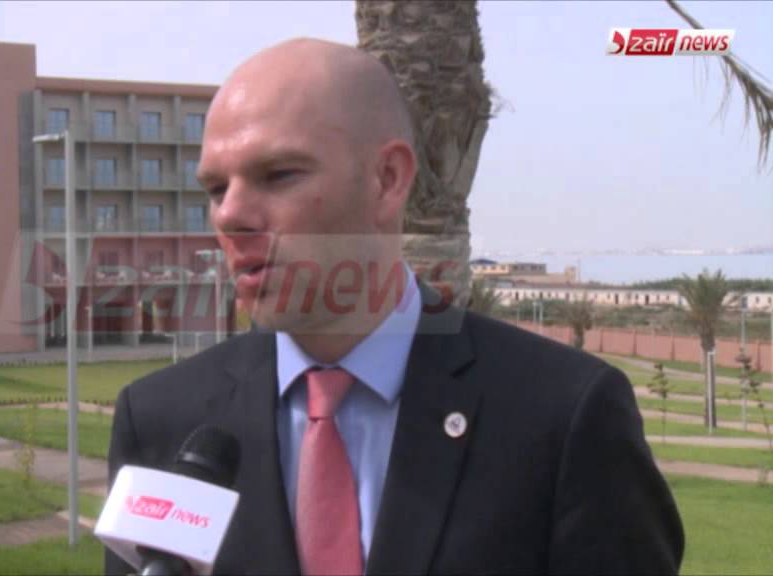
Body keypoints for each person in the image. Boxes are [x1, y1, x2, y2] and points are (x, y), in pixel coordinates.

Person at [106, 38, 683, 575]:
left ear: (387, 179)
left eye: (277, 174)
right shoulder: (161, 418)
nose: (229, 215)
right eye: (215, 188)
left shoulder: (564, 416)